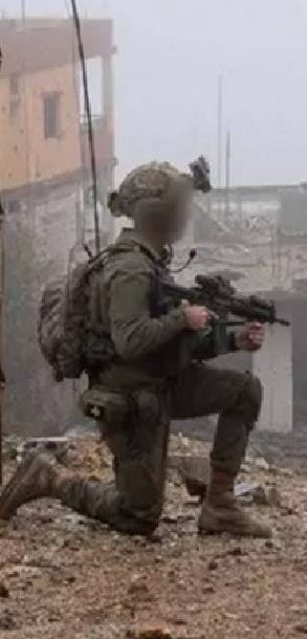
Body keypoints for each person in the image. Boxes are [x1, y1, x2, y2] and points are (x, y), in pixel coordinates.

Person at [0, 162, 271, 538]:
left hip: (161, 383)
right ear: (158, 214)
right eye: (180, 208)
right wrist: (182, 319)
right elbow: (131, 341)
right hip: (131, 399)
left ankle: (220, 506)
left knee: (244, 391)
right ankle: (48, 476)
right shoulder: (130, 269)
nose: (185, 216)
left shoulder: (150, 261)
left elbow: (170, 345)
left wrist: (232, 341)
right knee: (137, 516)